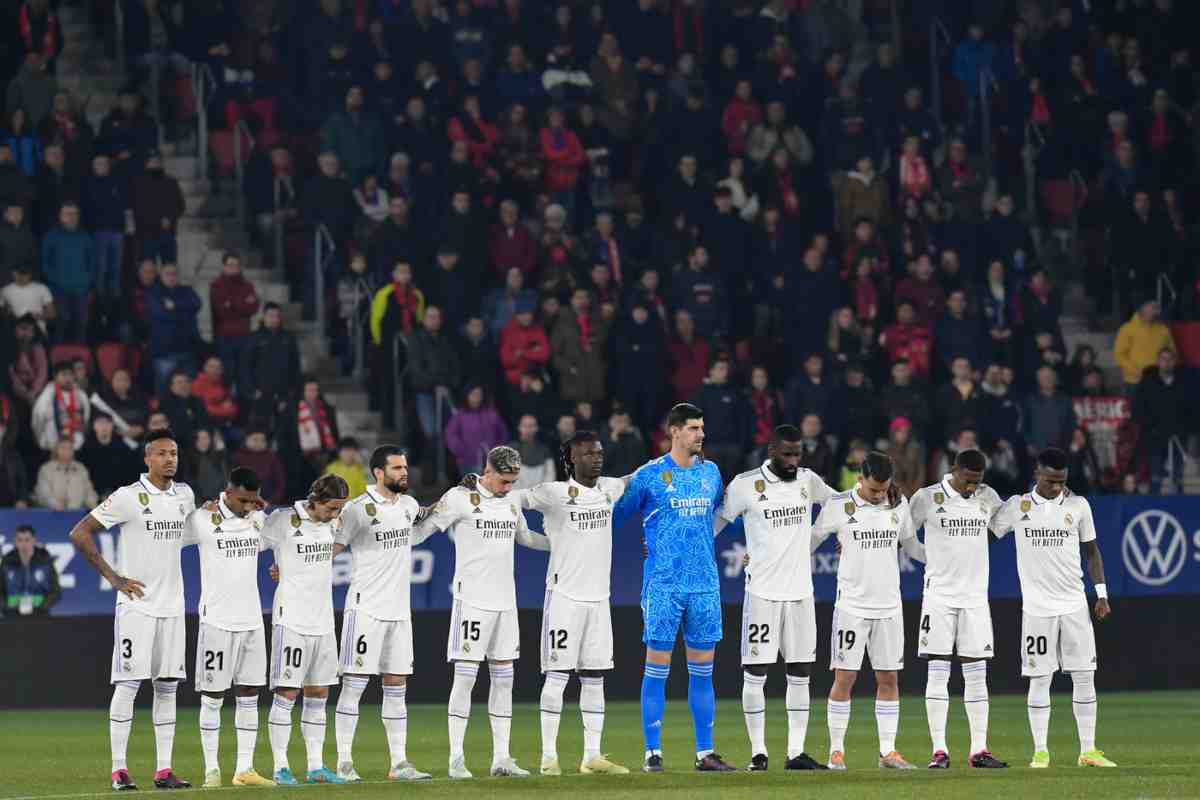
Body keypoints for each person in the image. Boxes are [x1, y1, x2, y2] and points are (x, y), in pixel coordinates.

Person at [68, 430, 197, 790]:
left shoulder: (184, 495)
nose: (170, 459)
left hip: (172, 607)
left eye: (173, 452)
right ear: (147, 459)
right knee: (128, 685)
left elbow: (188, 536)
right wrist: (114, 577)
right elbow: (80, 532)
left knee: (168, 686)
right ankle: (119, 770)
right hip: (137, 607)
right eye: (161, 453)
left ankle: (164, 770)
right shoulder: (128, 497)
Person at [413, 446, 550, 779]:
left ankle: (501, 758)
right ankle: (456, 759)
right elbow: (422, 532)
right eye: (504, 481)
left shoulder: (512, 501)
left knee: (504, 679)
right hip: (471, 601)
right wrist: (390, 531)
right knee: (466, 678)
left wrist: (564, 544)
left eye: (512, 482)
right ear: (487, 472)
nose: (508, 487)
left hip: (506, 603)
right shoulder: (460, 498)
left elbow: (527, 538)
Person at [613, 403, 735, 772]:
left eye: (702, 428)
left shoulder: (711, 473)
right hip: (663, 585)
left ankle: (705, 753)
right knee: (657, 668)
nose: (701, 434)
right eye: (695, 428)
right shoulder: (649, 476)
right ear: (675, 431)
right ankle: (653, 752)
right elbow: (617, 515)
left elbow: (721, 512)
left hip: (704, 586)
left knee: (703, 672)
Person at [501, 432, 631, 776]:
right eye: (588, 453)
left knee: (594, 678)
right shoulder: (553, 493)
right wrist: (530, 537)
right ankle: (548, 758)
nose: (597, 458)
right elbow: (512, 497)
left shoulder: (609, 489)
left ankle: (592, 756)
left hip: (599, 601)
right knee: (557, 677)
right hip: (564, 599)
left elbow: (638, 476)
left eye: (599, 452)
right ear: (572, 459)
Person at [717, 424, 834, 771]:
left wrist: (830, 535)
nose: (794, 460)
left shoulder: (808, 480)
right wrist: (685, 550)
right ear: (771, 451)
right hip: (763, 593)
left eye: (798, 454)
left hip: (801, 594)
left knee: (800, 672)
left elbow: (840, 504)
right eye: (787, 454)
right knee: (756, 671)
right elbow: (718, 522)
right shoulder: (744, 484)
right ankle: (758, 752)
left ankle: (796, 752)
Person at [992, 448, 1116, 769]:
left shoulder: (1078, 506)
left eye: (1061, 481)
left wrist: (1101, 593)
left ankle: (1088, 750)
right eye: (1050, 481)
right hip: (1037, 609)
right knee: (1039, 678)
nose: (1057, 487)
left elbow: (1092, 552)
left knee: (1085, 675)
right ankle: (1041, 752)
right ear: (1036, 474)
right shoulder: (1018, 506)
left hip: (1074, 604)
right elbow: (986, 536)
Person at [810, 451, 926, 770]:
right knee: (845, 677)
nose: (879, 495)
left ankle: (888, 751)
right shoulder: (838, 507)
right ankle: (836, 752)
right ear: (859, 479)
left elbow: (912, 546)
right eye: (873, 489)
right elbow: (810, 541)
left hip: (889, 605)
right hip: (851, 606)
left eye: (884, 488)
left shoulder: (897, 504)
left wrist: (943, 558)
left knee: (889, 677)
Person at [329, 446, 432, 782]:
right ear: (378, 472)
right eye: (397, 468)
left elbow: (421, 522)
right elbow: (333, 547)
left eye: (406, 467)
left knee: (396, 684)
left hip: (399, 613)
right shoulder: (358, 510)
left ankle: (399, 763)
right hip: (365, 609)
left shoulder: (409, 505)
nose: (405, 473)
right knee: (354, 684)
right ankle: (344, 762)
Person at [908, 450, 1008, 769]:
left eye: (977, 481)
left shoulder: (987, 496)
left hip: (975, 598)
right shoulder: (927, 497)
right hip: (938, 596)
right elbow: (905, 536)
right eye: (968, 480)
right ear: (954, 470)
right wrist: (932, 559)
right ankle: (939, 750)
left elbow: (1002, 525)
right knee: (938, 672)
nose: (971, 488)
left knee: (976, 674)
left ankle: (979, 750)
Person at [182, 467, 275, 788]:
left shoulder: (258, 518)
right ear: (229, 491)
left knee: (249, 694)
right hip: (216, 622)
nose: (249, 506)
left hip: (251, 621)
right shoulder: (202, 519)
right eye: (244, 500)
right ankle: (211, 769)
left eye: (254, 501)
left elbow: (285, 537)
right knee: (213, 695)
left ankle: (244, 769)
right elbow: (166, 540)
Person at [261, 474, 351, 785]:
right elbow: (247, 543)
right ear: (314, 501)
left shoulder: (334, 523)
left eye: (340, 509)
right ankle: (280, 767)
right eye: (331, 508)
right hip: (292, 620)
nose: (335, 515)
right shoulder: (282, 521)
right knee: (287, 692)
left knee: (319, 694)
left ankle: (315, 767)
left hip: (323, 621)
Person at [1, 524, 61, 616]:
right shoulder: (7, 562)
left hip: (40, 614)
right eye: (20, 540)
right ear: (15, 542)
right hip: (11, 615)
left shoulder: (45, 561)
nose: (23, 544)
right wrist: (8, 606)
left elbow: (55, 591)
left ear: (34, 541)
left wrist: (42, 606)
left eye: (27, 540)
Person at [31, 361, 89, 452]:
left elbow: (86, 418)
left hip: (76, 445)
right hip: (52, 446)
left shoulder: (80, 395)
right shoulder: (47, 395)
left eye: (70, 374)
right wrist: (42, 441)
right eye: (64, 375)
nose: (68, 378)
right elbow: (38, 420)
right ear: (55, 377)